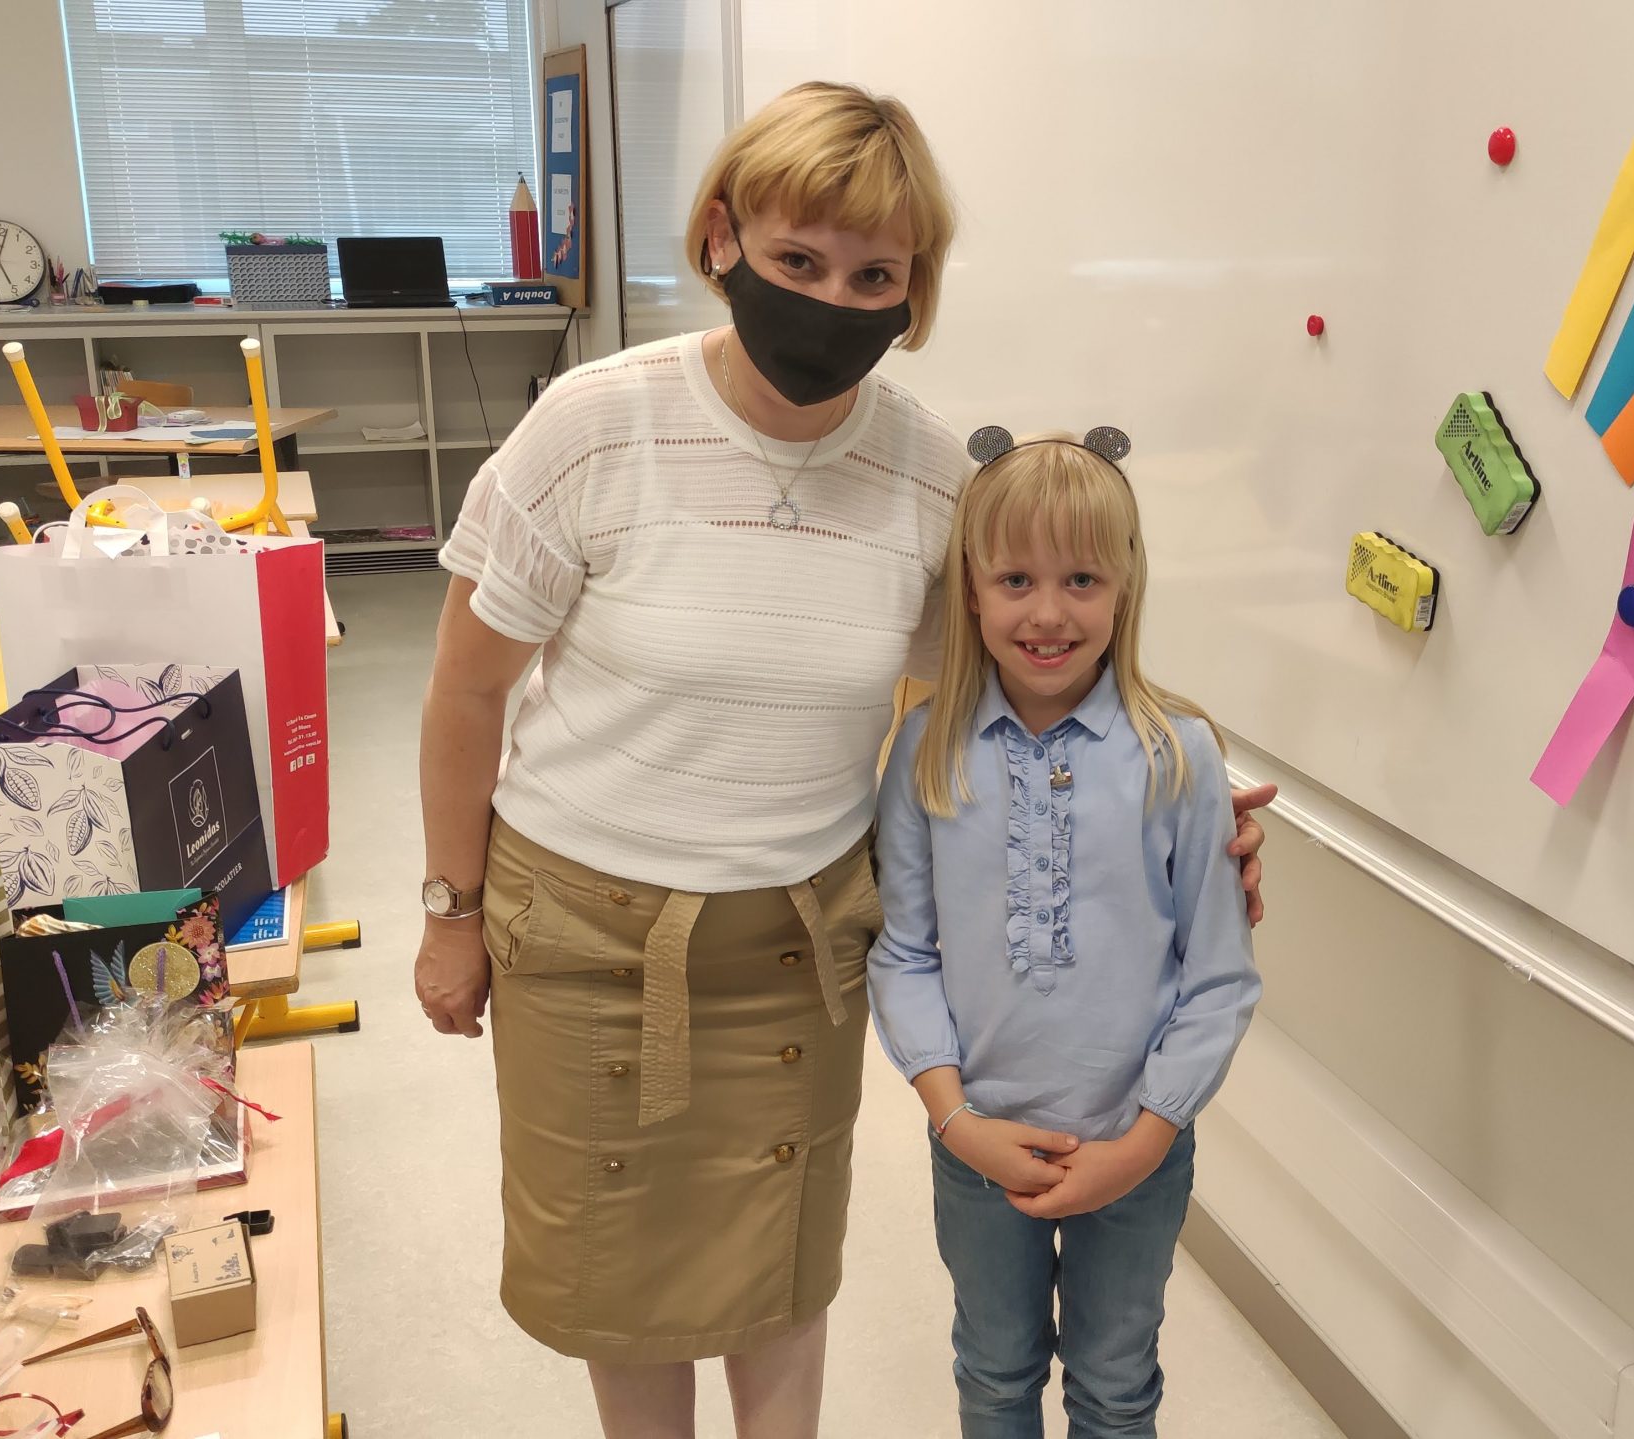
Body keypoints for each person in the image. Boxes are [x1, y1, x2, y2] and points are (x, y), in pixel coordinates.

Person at [413, 82, 1274, 1439]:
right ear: (721, 237)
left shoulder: (933, 477)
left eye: (876, 275)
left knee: (779, 1265)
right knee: (619, 1276)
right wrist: (451, 910)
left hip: (798, 940)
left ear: (913, 290)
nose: (832, 300)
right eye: (798, 259)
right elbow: (466, 692)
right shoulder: (592, 427)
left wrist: (1180, 802)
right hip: (584, 930)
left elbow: (1017, 684)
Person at [867, 427, 1263, 1439]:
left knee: (1115, 1384)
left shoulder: (1180, 756)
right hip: (977, 1140)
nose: (1049, 613)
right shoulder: (925, 752)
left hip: (1136, 1144)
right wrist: (956, 1119)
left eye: (1081, 578)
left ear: (1125, 588)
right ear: (970, 591)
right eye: (1016, 579)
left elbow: (1219, 978)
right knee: (995, 1373)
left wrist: (1144, 1140)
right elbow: (903, 952)